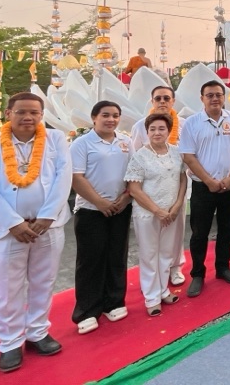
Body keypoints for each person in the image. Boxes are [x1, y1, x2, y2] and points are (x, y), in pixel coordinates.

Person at [0, 92, 71, 372]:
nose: (28, 117)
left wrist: (47, 216)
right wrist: (14, 223)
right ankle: (10, 343)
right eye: (21, 111)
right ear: (8, 113)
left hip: (48, 225)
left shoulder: (55, 139)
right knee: (8, 288)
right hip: (7, 229)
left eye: (34, 112)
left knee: (43, 282)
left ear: (41, 115)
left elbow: (63, 177)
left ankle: (37, 332)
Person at [179, 80, 230, 297]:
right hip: (203, 187)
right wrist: (208, 181)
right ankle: (198, 274)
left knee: (227, 228)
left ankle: (223, 267)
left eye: (218, 94)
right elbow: (188, 156)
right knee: (200, 232)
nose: (215, 99)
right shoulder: (192, 123)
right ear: (202, 99)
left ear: (224, 97)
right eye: (210, 95)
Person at [70, 101, 133, 335]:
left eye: (115, 115)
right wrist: (99, 202)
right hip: (91, 210)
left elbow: (133, 173)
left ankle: (113, 302)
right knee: (91, 260)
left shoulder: (125, 142)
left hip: (120, 208)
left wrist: (125, 198)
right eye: (105, 115)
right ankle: (87, 311)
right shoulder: (82, 144)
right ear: (94, 117)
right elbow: (76, 177)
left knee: (117, 255)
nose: (111, 119)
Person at [125, 113, 188, 316]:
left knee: (167, 252)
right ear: (147, 132)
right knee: (150, 254)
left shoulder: (176, 152)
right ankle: (151, 297)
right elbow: (134, 189)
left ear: (169, 131)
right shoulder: (140, 156)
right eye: (152, 129)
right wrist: (157, 211)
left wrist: (177, 205)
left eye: (161, 128)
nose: (157, 133)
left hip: (171, 212)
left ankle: (163, 290)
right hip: (148, 213)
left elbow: (183, 179)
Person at [130, 85, 188, 287]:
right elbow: (135, 155)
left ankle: (175, 267)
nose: (162, 101)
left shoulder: (184, 125)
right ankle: (153, 278)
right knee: (151, 238)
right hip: (150, 189)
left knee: (176, 230)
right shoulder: (140, 126)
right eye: (158, 98)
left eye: (166, 98)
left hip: (177, 185)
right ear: (152, 101)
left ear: (173, 101)